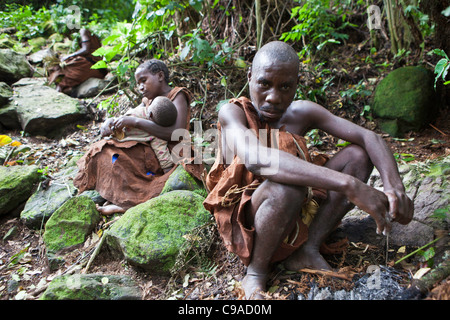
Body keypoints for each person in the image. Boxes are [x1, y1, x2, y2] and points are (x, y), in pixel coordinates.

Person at [203, 41, 414, 299]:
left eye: (285, 87)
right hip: (249, 218)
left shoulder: (301, 112)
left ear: (296, 84)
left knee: (357, 156)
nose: (273, 97)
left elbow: (369, 137)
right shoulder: (232, 113)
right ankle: (256, 272)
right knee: (285, 188)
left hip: (294, 207)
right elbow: (258, 160)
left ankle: (308, 248)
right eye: (264, 84)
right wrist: (350, 185)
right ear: (250, 78)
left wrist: (395, 188)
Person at [74, 59, 195, 215]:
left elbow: (177, 133)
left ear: (160, 76)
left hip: (171, 152)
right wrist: (110, 122)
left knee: (160, 179)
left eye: (143, 80)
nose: (140, 87)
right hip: (147, 146)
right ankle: (121, 195)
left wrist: (136, 122)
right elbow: (129, 116)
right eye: (138, 83)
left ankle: (129, 203)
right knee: (106, 151)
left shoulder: (177, 95)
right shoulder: (148, 101)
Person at [109, 96, 178, 173]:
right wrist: (168, 169)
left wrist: (111, 123)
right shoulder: (157, 134)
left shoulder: (137, 111)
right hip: (122, 145)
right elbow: (162, 152)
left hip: (115, 139)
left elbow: (119, 120)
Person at [47, 28, 107, 94]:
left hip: (91, 65)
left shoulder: (83, 31)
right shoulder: (88, 32)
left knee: (62, 70)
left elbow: (85, 49)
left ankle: (58, 91)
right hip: (98, 69)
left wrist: (69, 56)